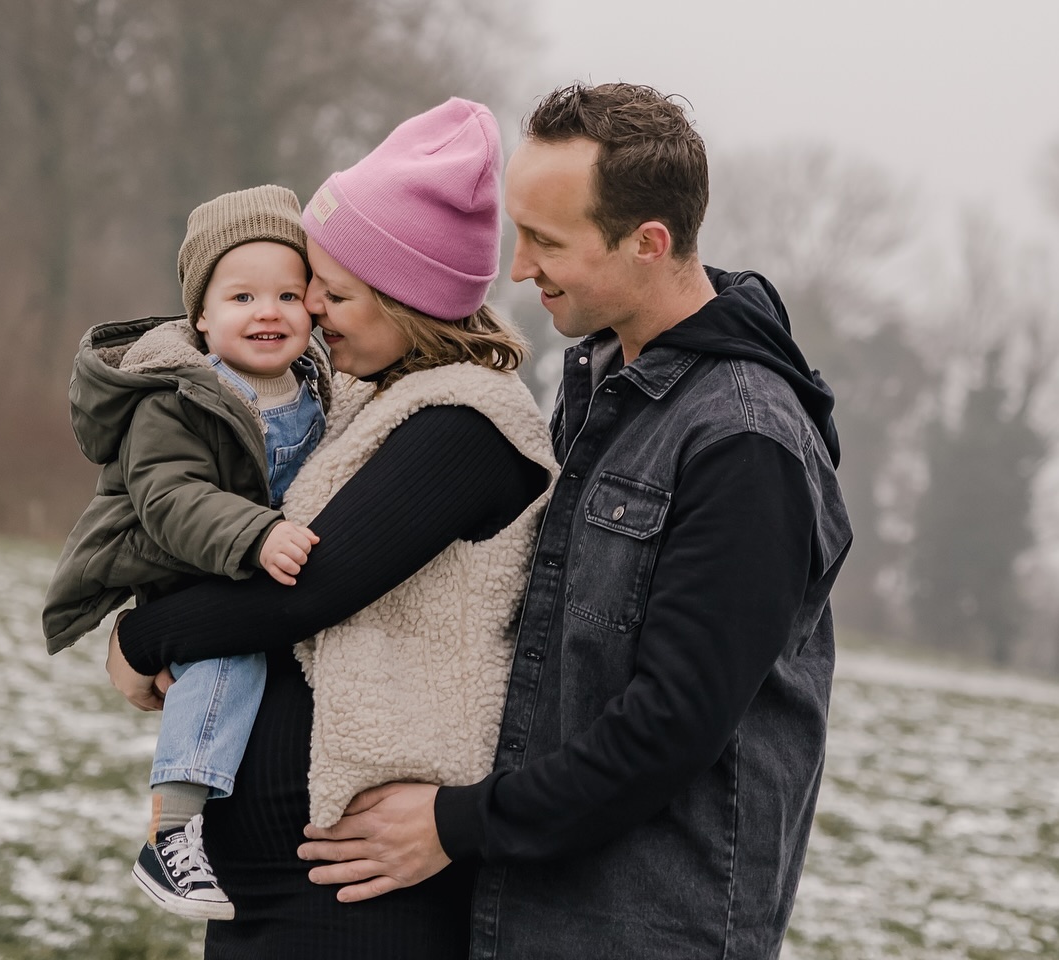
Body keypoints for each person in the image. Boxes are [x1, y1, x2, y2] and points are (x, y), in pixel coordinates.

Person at [297, 82, 854, 959]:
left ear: (648, 243)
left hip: (648, 930)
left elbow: (669, 727)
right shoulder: (600, 386)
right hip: (525, 908)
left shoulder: (746, 442)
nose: (520, 267)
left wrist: (454, 822)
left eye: (548, 241)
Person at [104, 97, 556, 959]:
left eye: (335, 291)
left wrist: (144, 634)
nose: (311, 305)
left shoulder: (468, 426)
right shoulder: (362, 401)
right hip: (280, 885)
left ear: (408, 297)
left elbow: (305, 590)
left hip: (353, 903)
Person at [41, 185, 331, 920]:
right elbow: (168, 500)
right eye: (242, 297)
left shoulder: (322, 391)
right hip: (193, 574)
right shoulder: (175, 397)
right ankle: (170, 831)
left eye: (288, 295)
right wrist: (255, 534)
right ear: (200, 316)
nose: (268, 312)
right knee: (227, 657)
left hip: (276, 578)